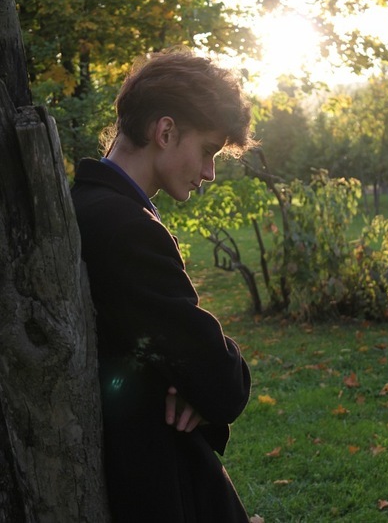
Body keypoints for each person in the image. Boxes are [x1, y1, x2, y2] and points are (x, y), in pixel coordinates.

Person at [71, 50, 254, 522]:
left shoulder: (84, 203)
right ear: (166, 131)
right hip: (152, 482)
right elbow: (222, 382)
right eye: (208, 151)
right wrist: (198, 380)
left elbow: (195, 370)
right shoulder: (127, 228)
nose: (210, 173)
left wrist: (188, 379)